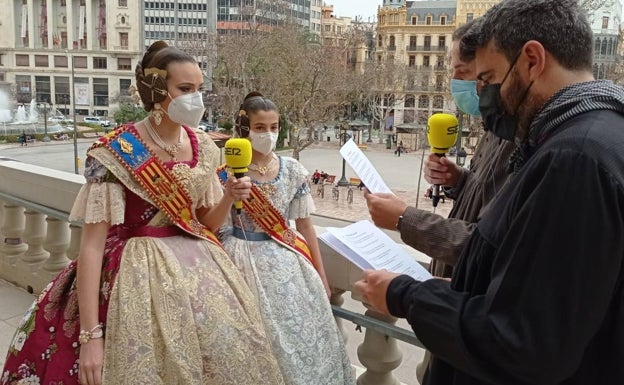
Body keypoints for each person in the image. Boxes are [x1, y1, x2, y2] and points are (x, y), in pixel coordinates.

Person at [356, 1, 624, 384]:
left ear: (532, 60)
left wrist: (404, 294)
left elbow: (522, 343)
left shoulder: (573, 159)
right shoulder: (593, 134)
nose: (484, 95)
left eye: (488, 78)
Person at [1, 41, 285, 385]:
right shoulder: (115, 151)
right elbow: (91, 246)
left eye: (198, 89)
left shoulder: (206, 147)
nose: (195, 99)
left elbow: (204, 224)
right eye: (184, 89)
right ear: (155, 90)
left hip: (201, 273)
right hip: (129, 276)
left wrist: (227, 197)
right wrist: (91, 336)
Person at [218, 92, 355, 385]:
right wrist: (230, 195)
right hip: (238, 261)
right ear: (244, 129)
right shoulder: (225, 172)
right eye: (260, 128)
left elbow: (306, 227)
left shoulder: (292, 170)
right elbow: (213, 225)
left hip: (287, 261)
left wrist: (320, 273)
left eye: (274, 127)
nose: (268, 134)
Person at [365, 19, 516, 279]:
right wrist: (459, 180)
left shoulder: (521, 140)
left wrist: (404, 219)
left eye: (463, 71)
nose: (453, 80)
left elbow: (487, 245)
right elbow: (487, 197)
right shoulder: (495, 128)